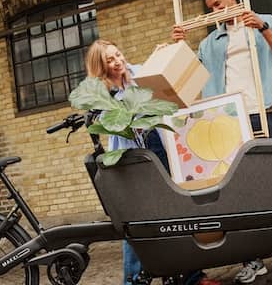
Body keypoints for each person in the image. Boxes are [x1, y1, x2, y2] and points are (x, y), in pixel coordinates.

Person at [172, 0, 272, 284]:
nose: (213, 11)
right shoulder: (211, 42)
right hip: (228, 122)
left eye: (216, 4)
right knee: (237, 193)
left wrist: (262, 26)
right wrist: (177, 46)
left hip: (264, 112)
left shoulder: (265, 22)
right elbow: (189, 81)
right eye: (210, 7)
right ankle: (253, 259)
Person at [85, 39, 221, 285]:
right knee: (136, 222)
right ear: (101, 67)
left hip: (159, 147)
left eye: (118, 54)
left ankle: (191, 277)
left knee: (179, 211)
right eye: (110, 60)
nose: (119, 62)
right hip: (132, 159)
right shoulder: (102, 95)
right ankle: (134, 281)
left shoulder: (139, 73)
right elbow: (109, 122)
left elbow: (160, 80)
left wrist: (162, 55)